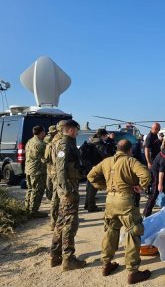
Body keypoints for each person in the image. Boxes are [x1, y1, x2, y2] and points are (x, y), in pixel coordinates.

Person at [87, 140, 152, 284]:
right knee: (132, 233)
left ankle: (106, 264)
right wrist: (140, 187)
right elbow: (146, 175)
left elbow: (90, 176)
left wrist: (104, 187)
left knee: (111, 231)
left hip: (110, 201)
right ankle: (133, 272)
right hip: (126, 201)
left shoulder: (106, 161)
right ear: (129, 150)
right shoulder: (131, 161)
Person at [50, 120, 86, 271]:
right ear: (71, 130)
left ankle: (55, 255)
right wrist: (66, 191)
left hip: (68, 187)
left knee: (60, 221)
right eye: (76, 130)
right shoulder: (64, 145)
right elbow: (60, 169)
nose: (77, 133)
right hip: (68, 189)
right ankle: (68, 259)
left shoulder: (68, 143)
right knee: (70, 223)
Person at [84, 128, 112, 212]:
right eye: (106, 135)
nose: (107, 137)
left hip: (90, 167)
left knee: (89, 187)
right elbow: (106, 157)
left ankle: (87, 204)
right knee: (93, 188)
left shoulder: (92, 142)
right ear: (102, 136)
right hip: (97, 168)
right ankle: (91, 206)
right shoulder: (100, 145)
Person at [24, 125, 47, 218]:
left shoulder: (30, 141)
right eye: (44, 132)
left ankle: (27, 208)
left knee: (30, 189)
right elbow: (47, 156)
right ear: (41, 132)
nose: (45, 134)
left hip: (29, 169)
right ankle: (33, 211)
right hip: (37, 170)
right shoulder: (41, 144)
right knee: (37, 190)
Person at [48, 120, 67, 231]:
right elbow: (60, 161)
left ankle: (54, 221)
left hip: (54, 171)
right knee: (57, 197)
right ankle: (54, 222)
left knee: (56, 197)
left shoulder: (55, 139)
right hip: (58, 172)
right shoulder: (60, 140)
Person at [44, 125, 58, 201]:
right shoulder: (50, 139)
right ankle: (51, 197)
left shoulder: (48, 139)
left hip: (49, 164)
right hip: (51, 163)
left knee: (49, 180)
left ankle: (49, 196)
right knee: (51, 181)